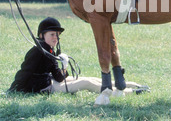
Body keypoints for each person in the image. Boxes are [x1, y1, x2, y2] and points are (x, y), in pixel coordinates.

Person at [8, 17, 149, 95]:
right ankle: (131, 92)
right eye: (52, 35)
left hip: (50, 81)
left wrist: (63, 66)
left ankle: (132, 85)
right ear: (41, 35)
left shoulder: (49, 50)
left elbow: (58, 76)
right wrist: (13, 89)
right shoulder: (37, 51)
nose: (55, 38)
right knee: (85, 84)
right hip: (43, 87)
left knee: (88, 78)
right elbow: (25, 70)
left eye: (57, 35)